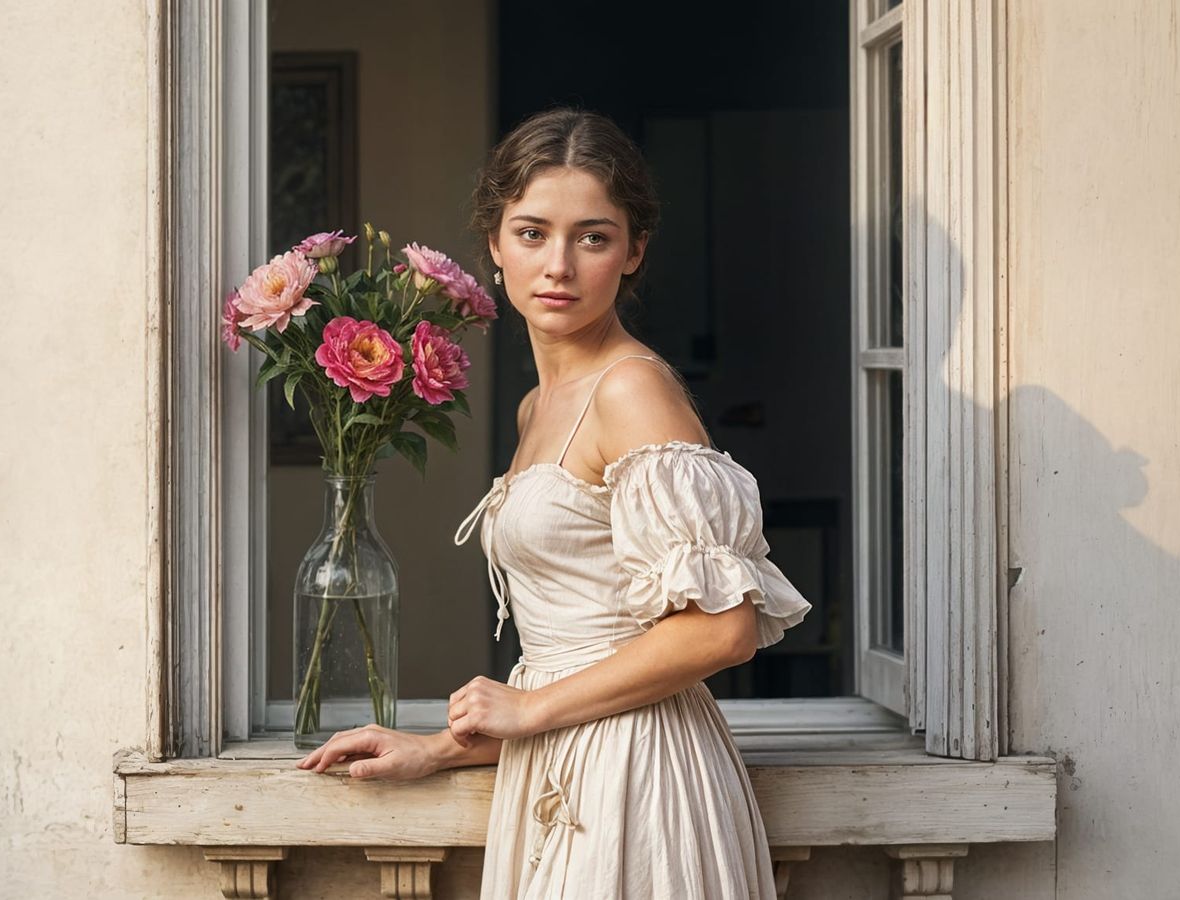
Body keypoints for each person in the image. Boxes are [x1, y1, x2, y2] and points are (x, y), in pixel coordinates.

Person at [297, 106, 812, 898]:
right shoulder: (538, 407)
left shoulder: (632, 391)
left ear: (635, 251)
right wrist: (437, 749)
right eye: (533, 233)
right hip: (563, 763)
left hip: (639, 777)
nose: (559, 266)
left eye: (593, 237)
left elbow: (722, 629)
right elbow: (576, 653)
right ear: (494, 244)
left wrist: (529, 712)